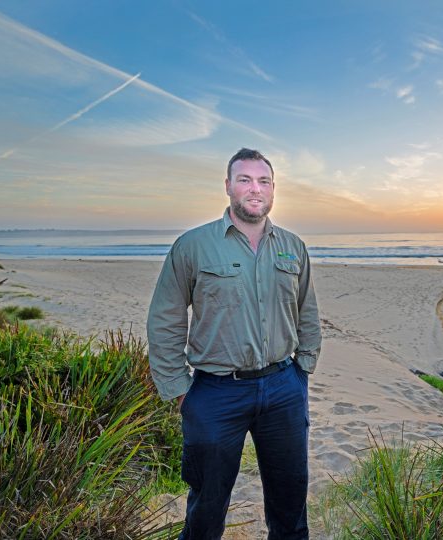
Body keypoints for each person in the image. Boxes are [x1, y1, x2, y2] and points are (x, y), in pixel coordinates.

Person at [147, 148, 321, 539]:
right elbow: (165, 319)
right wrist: (178, 389)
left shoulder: (292, 246)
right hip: (215, 392)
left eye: (263, 181)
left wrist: (304, 367)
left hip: (283, 387)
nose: (254, 189)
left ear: (274, 190)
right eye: (244, 180)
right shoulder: (193, 246)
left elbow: (306, 308)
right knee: (206, 506)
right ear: (228, 187)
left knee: (290, 501)